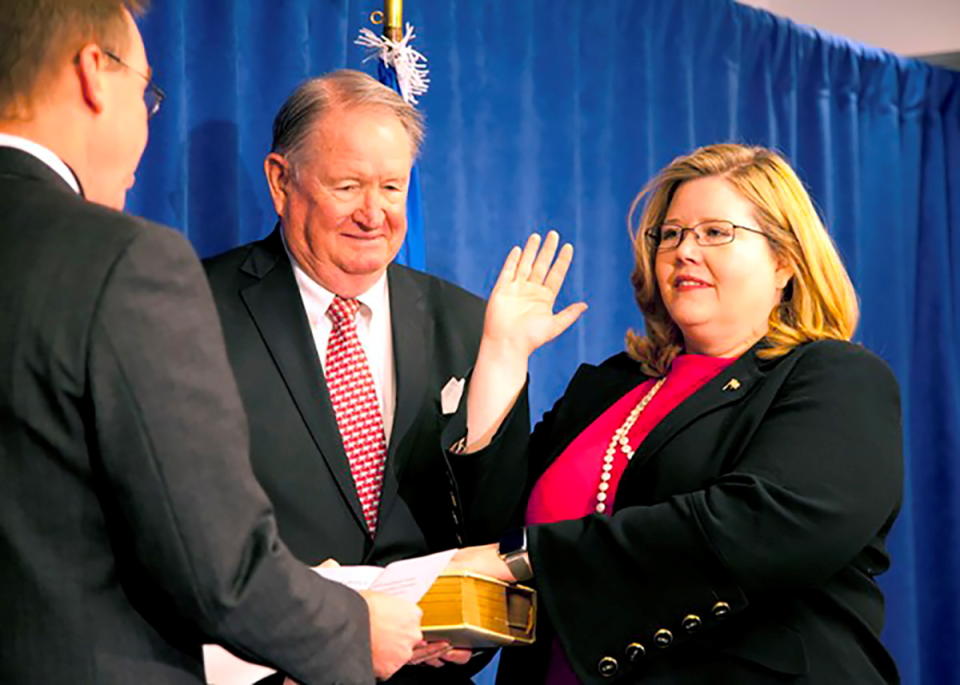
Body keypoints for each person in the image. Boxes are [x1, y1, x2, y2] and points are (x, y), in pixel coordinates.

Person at [0, 2, 423, 683]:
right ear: (92, 76)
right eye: (147, 94)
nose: (145, 122)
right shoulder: (125, 264)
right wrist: (353, 625)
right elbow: (217, 568)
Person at [451, 143, 903, 683]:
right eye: (671, 234)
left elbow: (760, 527)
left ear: (785, 259)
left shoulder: (836, 377)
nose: (684, 251)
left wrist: (530, 558)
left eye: (716, 232)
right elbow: (484, 529)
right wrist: (503, 355)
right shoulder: (610, 386)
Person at [202, 69, 532, 682]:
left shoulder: (468, 324)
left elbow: (495, 528)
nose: (373, 213)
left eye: (392, 186)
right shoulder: (194, 308)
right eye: (347, 185)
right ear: (281, 181)